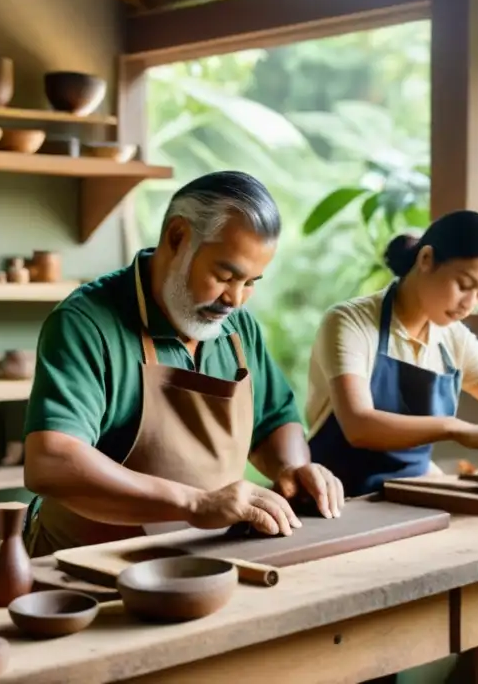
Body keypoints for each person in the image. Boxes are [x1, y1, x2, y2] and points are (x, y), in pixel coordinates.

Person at [23, 170, 344, 557]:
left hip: (203, 564)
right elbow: (51, 460)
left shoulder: (238, 328)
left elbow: (275, 419)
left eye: (252, 282)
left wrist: (292, 471)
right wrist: (194, 504)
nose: (237, 299)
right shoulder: (85, 323)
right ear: (177, 238)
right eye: (226, 275)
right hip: (86, 572)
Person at [305, 209, 478, 498]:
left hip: (411, 494)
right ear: (426, 260)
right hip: (335, 499)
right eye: (464, 285)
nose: (469, 304)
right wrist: (455, 429)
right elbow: (358, 425)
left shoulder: (453, 338)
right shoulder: (350, 322)